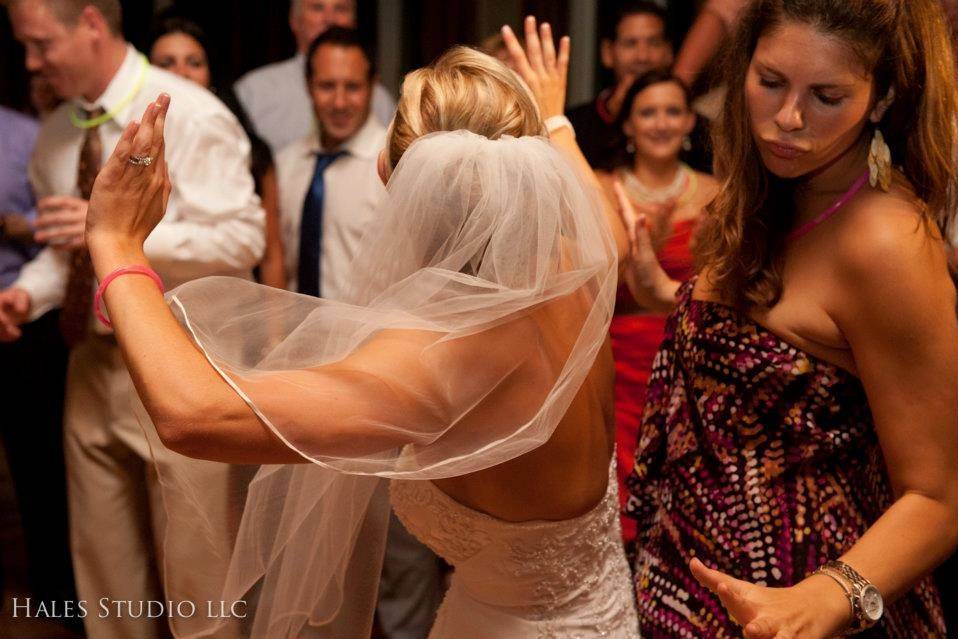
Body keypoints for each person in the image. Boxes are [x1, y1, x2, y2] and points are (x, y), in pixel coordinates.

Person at [79, 16, 643, 638]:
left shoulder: (450, 357)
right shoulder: (578, 266)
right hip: (607, 612)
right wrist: (557, 122)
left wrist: (116, 244)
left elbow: (192, 413)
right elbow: (612, 231)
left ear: (392, 178)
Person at [619, 0, 958, 636]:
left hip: (804, 608)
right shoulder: (761, 192)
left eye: (827, 95)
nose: (788, 118)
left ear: (880, 101)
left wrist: (829, 596)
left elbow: (939, 499)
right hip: (684, 590)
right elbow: (785, 349)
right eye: (770, 82)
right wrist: (670, 296)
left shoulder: (885, 243)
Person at [0, 2, 265, 638]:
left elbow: (243, 237)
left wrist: (119, 232)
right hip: (88, 365)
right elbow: (68, 250)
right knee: (105, 569)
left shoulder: (192, 114)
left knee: (199, 577)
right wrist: (27, 296)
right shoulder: (58, 133)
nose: (31, 63)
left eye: (40, 45)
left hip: (180, 361)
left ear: (90, 24)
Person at [276, 26, 446, 637]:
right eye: (327, 85)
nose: (341, 99)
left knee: (401, 551)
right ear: (309, 87)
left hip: (385, 381)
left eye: (353, 86)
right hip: (311, 382)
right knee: (322, 551)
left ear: (371, 87)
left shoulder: (403, 165)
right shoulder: (288, 163)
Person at [593, 69, 718, 551]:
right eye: (648, 112)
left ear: (689, 122)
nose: (661, 123)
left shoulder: (716, 193)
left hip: (691, 364)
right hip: (619, 366)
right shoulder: (604, 191)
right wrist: (638, 254)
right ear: (628, 126)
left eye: (672, 111)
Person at [0, 103, 76, 621]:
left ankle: (57, 596)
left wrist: (18, 226)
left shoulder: (28, 134)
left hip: (18, 322)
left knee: (38, 464)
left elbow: (56, 226)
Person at [148, 14, 286, 289]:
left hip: (227, 306)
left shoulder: (252, 152)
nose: (181, 74)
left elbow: (270, 254)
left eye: (194, 63)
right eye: (167, 64)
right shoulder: (132, 141)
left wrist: (276, 332)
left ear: (210, 74)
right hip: (151, 302)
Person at [233, 0, 396, 156]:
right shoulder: (253, 91)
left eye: (341, 9)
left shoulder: (380, 99)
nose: (330, 19)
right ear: (294, 20)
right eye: (317, 8)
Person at [566, 1, 673, 168]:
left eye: (653, 43)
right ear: (608, 52)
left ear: (668, 52)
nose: (642, 57)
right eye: (630, 43)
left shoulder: (694, 127)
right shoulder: (573, 126)